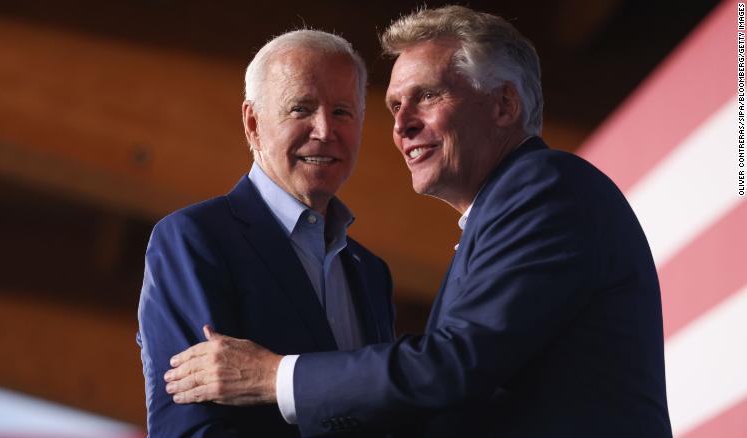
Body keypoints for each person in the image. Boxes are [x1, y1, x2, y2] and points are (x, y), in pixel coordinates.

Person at [164, 6, 673, 437]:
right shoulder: (499, 212)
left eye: (427, 96)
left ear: (504, 104)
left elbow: (451, 366)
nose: (402, 123)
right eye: (392, 106)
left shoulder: (543, 188)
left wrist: (273, 376)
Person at [137, 29, 397, 437]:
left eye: (343, 111)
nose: (325, 130)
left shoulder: (372, 273)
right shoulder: (194, 240)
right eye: (301, 109)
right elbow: (192, 430)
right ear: (253, 123)